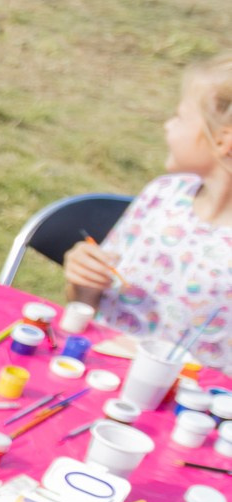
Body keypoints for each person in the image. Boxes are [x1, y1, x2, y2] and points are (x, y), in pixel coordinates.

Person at [64, 59, 232, 374]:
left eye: (180, 117)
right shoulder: (163, 195)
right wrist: (84, 281)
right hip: (99, 373)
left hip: (193, 412)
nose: (168, 125)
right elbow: (93, 301)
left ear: (224, 141)